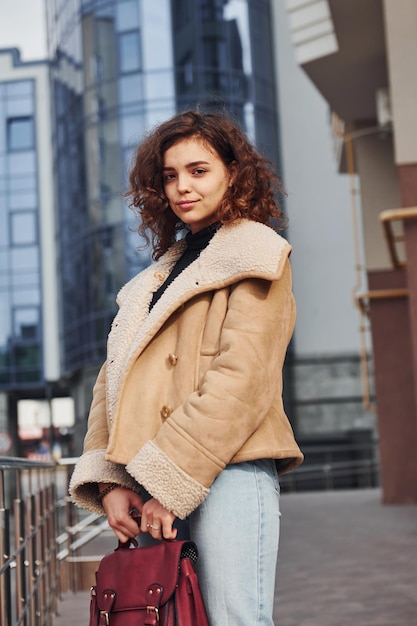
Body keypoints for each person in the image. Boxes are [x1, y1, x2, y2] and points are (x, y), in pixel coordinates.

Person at [70, 109, 303, 625]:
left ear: (234, 173)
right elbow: (113, 381)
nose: (182, 187)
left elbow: (241, 380)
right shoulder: (151, 282)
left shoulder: (258, 255)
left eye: (198, 171)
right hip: (152, 483)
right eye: (170, 175)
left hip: (229, 471)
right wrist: (112, 483)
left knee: (234, 619)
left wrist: (170, 483)